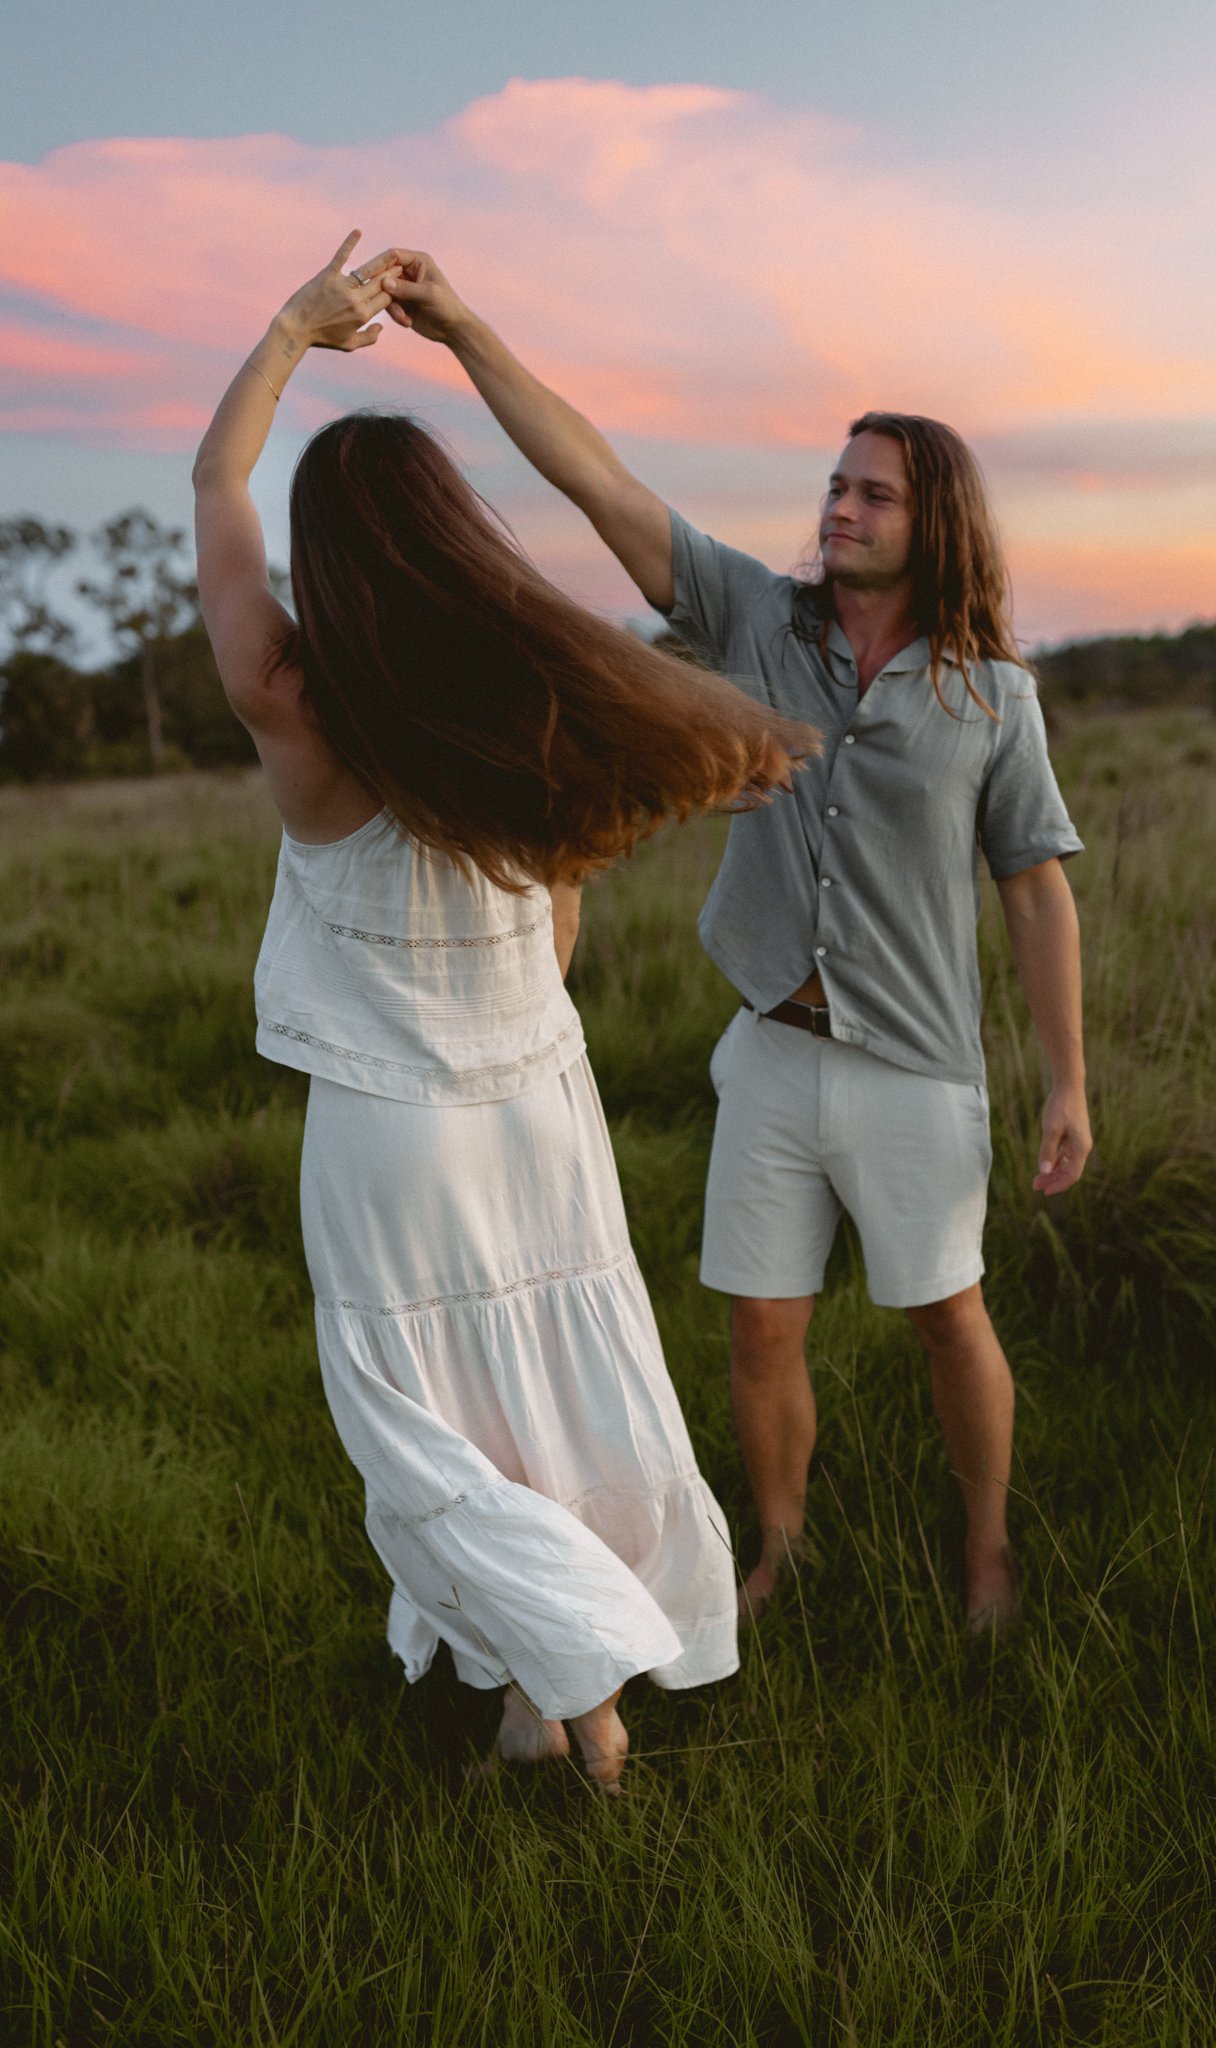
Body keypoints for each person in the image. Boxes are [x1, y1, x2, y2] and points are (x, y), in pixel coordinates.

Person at [371, 246, 1093, 1634]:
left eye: (873, 492)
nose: (841, 506)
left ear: (930, 518)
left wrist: (1065, 1080)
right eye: (834, 484)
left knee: (948, 1316)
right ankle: (775, 1553)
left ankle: (987, 1550)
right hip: (770, 1042)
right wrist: (461, 323)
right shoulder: (754, 619)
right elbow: (600, 482)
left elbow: (1034, 888)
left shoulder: (993, 695)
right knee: (759, 1325)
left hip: (919, 1065)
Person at [191, 234, 812, 1790]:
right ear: (459, 542)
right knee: (564, 1392)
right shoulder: (532, 723)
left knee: (425, 1427)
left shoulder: (293, 701)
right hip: (538, 1108)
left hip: (392, 1130)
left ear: (328, 562)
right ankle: (550, 1694)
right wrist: (455, 323)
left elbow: (215, 496)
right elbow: (565, 939)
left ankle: (575, 1699)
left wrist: (286, 333)